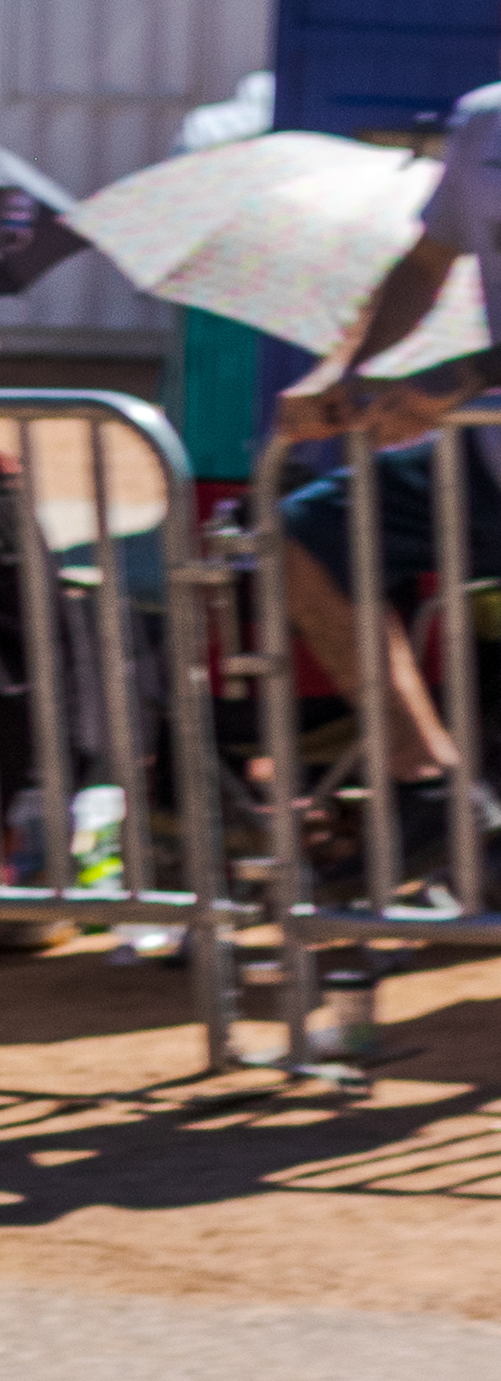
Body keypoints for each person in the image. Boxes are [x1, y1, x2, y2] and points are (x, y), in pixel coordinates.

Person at [270, 77, 501, 870]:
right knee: (307, 535)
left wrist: (464, 375)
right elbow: (428, 261)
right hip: (488, 459)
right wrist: (345, 371)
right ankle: (432, 786)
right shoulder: (486, 120)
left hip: (480, 410)